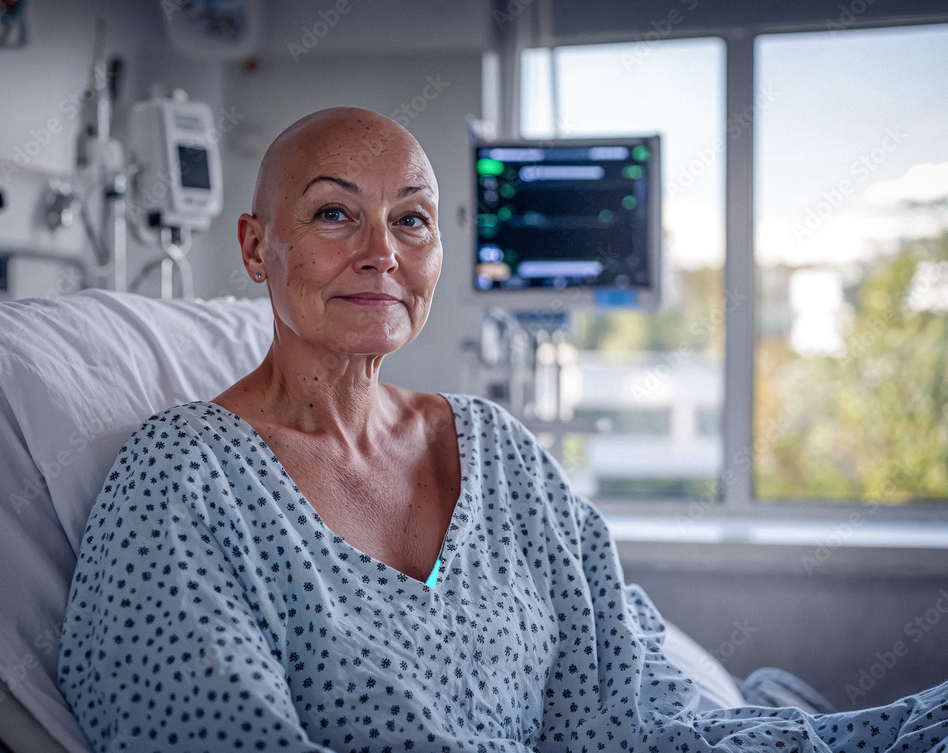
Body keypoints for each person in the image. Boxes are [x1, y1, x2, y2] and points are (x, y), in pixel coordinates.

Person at [58, 107, 947, 753]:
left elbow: (631, 689)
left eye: (411, 219)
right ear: (256, 247)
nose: (384, 253)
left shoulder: (498, 451)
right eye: (334, 213)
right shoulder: (184, 477)